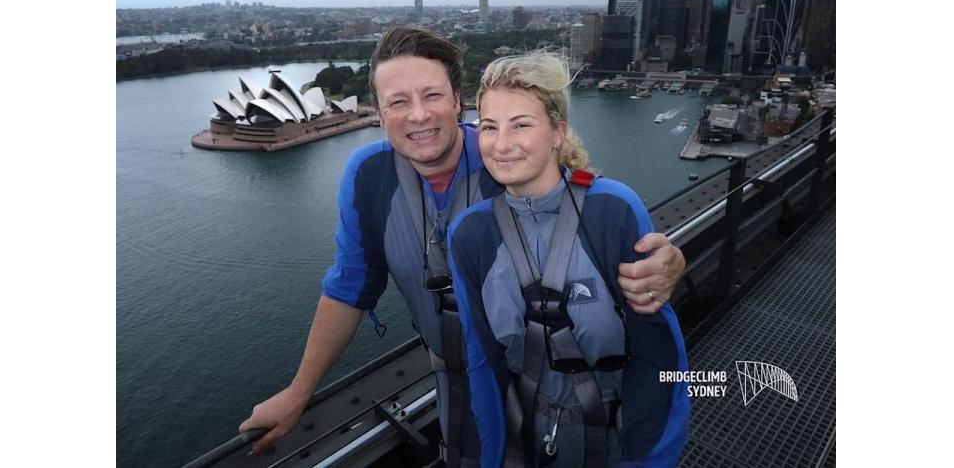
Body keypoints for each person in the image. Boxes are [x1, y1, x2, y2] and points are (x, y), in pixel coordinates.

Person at [239, 27, 687, 464]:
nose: (418, 115)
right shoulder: (367, 175)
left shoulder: (503, 158)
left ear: (458, 101)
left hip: (529, 379)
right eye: (398, 101)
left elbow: (580, 203)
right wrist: (299, 394)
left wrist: (669, 258)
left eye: (432, 95)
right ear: (378, 110)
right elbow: (349, 286)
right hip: (456, 376)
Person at [448, 53, 690, 467]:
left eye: (521, 124)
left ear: (558, 132)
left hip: (616, 444)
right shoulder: (471, 234)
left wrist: (651, 459)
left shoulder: (611, 210)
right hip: (529, 445)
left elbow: (659, 350)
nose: (501, 143)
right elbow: (482, 360)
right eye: (489, 127)